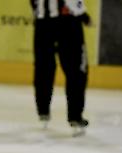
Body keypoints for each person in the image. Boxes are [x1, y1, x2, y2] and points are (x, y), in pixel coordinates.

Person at [30, 0, 91, 136]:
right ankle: (75, 116)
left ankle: (43, 110)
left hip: (42, 23)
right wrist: (82, 14)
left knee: (43, 68)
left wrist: (39, 12)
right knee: (76, 70)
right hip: (67, 21)